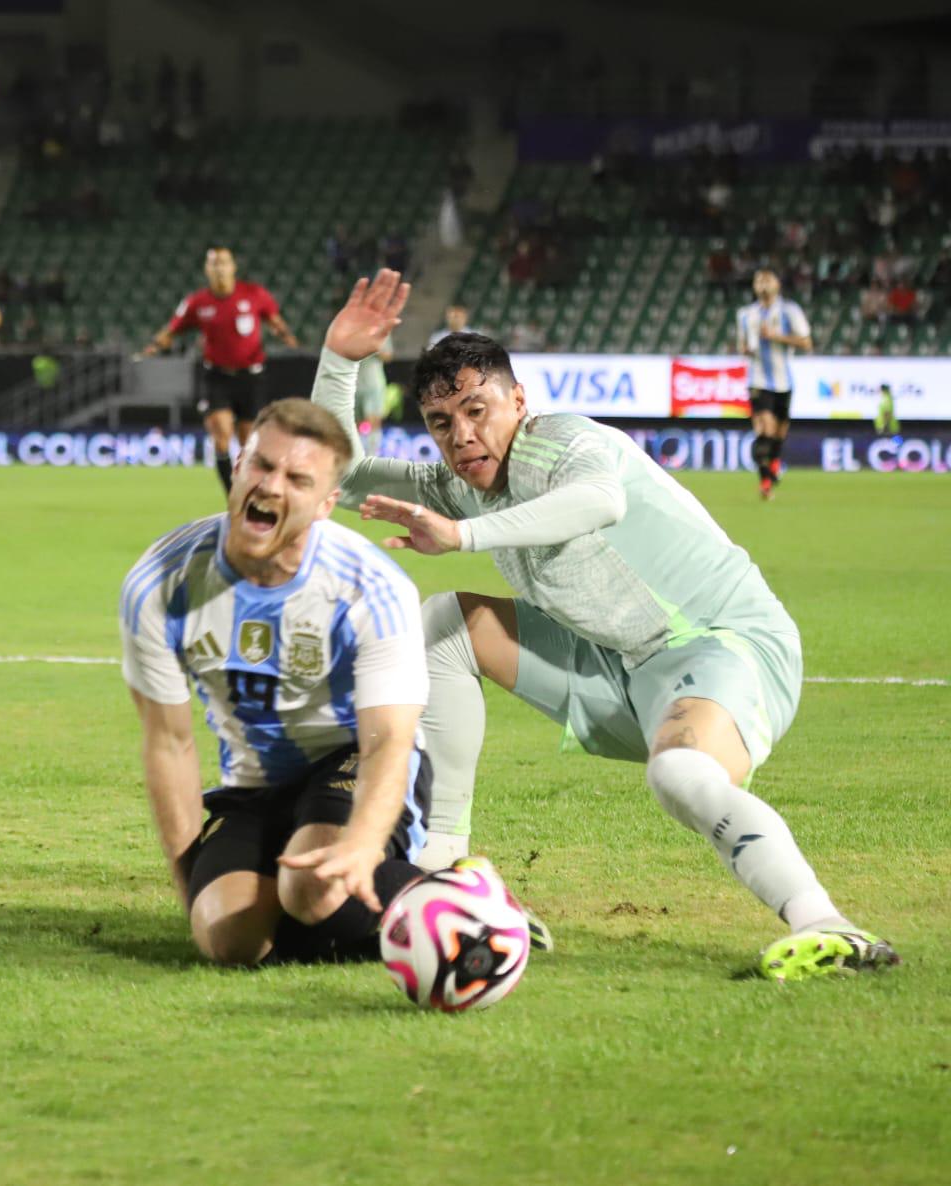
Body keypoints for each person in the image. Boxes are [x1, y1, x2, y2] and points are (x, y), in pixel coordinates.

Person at [311, 270, 898, 983]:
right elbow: (335, 471)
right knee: (445, 624)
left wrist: (462, 539)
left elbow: (598, 502)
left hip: (721, 644)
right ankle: (443, 867)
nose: (463, 435)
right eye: (443, 422)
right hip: (615, 663)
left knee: (680, 771)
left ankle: (826, 925)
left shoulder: (564, 443)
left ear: (518, 401)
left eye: (478, 409)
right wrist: (340, 360)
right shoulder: (458, 483)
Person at [120, 397, 434, 966]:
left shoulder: (372, 587)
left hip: (351, 762)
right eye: (261, 465)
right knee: (229, 940)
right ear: (237, 467)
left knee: (313, 889)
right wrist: (191, 885)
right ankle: (358, 915)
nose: (271, 485)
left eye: (297, 478)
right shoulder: (162, 583)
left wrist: (363, 844)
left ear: (325, 504)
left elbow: (389, 739)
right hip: (253, 785)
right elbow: (169, 741)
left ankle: (457, 902)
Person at [139, 246, 298, 493]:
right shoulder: (197, 302)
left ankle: (251, 489)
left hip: (251, 376)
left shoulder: (255, 294)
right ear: (207, 269)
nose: (219, 268)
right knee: (221, 434)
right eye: (214, 263)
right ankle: (231, 493)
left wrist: (285, 335)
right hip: (217, 376)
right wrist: (155, 345)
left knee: (249, 441)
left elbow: (275, 320)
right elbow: (172, 330)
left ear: (233, 266)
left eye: (224, 262)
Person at [736, 269, 811, 500]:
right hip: (758, 380)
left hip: (784, 381)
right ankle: (766, 481)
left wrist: (776, 337)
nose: (763, 284)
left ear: (777, 284)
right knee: (764, 430)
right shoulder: (746, 314)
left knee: (778, 435)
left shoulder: (790, 310)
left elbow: (806, 342)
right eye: (759, 279)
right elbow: (742, 347)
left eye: (768, 279)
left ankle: (772, 467)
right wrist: (747, 349)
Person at [354, 333, 393, 457]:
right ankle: (357, 457)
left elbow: (388, 356)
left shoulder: (381, 330)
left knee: (373, 421)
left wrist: (374, 348)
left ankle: (372, 457)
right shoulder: (352, 330)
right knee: (356, 423)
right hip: (354, 383)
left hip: (373, 384)